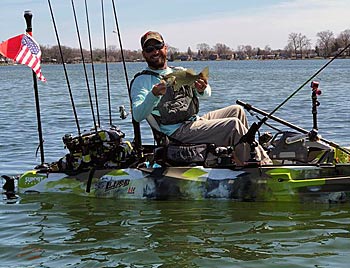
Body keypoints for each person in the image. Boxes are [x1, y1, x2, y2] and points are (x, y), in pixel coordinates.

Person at [130, 31, 271, 165]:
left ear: (165, 48)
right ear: (144, 54)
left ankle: (240, 156)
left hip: (194, 122)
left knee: (237, 110)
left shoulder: (180, 71)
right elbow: (137, 115)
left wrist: (202, 89)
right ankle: (262, 165)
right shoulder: (141, 81)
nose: (155, 51)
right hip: (176, 132)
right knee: (233, 125)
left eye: (158, 46)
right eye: (149, 49)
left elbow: (206, 94)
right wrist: (153, 95)